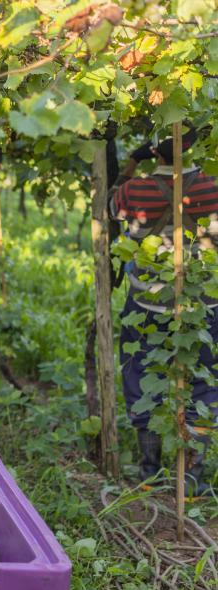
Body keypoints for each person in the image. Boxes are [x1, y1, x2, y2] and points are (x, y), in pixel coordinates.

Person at [111, 128, 218, 495]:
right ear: (192, 146)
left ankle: (150, 470)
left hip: (146, 303)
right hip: (203, 304)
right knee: (204, 381)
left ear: (154, 149)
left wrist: (132, 162)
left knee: (141, 375)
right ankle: (193, 475)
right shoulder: (212, 187)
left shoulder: (133, 190)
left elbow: (109, 208)